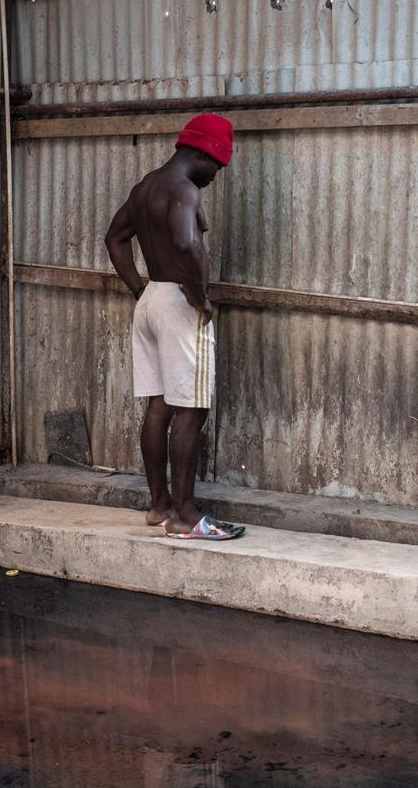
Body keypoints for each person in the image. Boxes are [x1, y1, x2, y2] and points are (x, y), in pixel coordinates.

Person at [104, 113, 244, 541]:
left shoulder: (146, 186)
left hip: (151, 300)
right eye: (217, 166)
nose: (216, 177)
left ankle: (159, 504)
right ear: (203, 153)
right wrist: (199, 296)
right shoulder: (183, 190)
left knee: (160, 404)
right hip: (180, 301)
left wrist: (137, 289)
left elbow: (114, 237)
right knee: (192, 408)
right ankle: (184, 516)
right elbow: (186, 242)